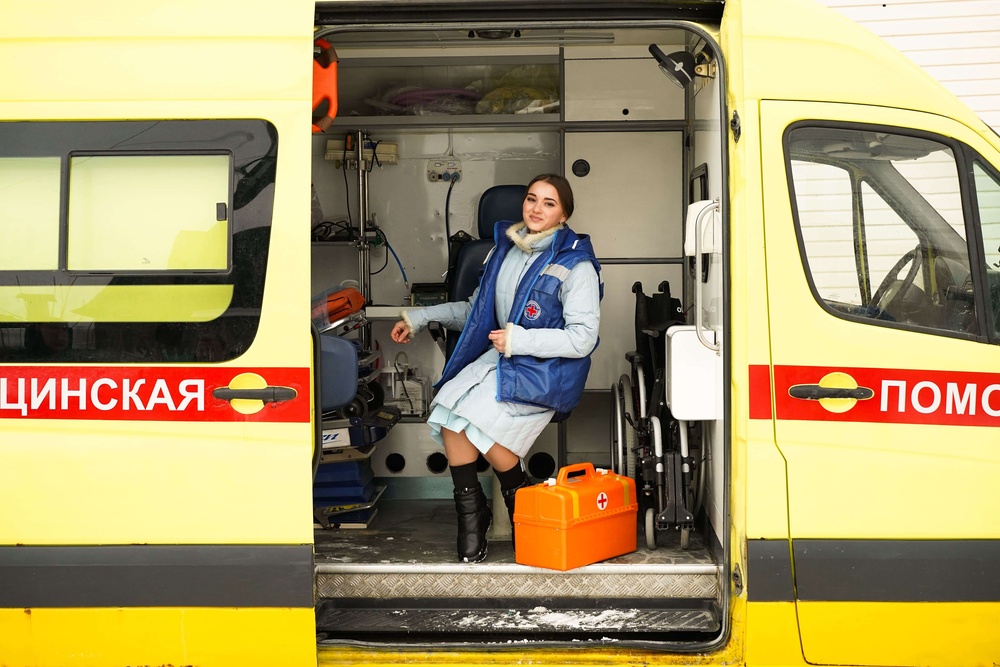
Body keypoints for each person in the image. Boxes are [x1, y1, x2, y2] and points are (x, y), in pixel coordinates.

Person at [391, 174, 602, 563]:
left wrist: (520, 340)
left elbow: (582, 339)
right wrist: (419, 317)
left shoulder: (576, 265)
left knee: (470, 423)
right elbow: (475, 313)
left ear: (564, 214)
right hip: (503, 360)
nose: (536, 209)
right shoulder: (503, 253)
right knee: (448, 413)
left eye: (549, 203)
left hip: (546, 371)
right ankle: (473, 516)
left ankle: (519, 501)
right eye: (531, 199)